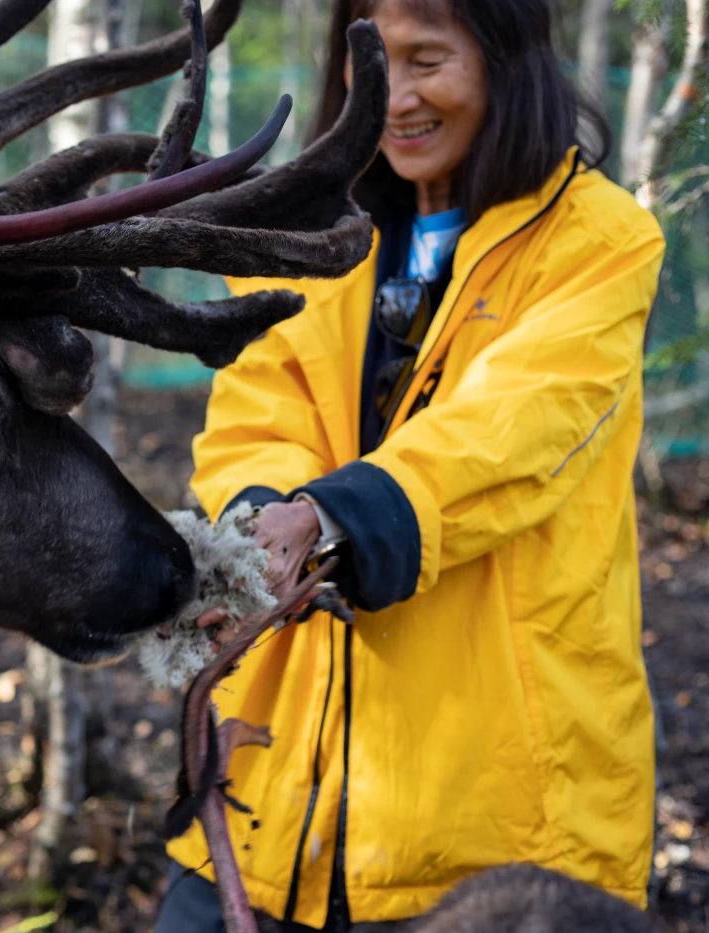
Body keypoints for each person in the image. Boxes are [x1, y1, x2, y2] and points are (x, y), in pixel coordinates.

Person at [157, 0, 666, 930]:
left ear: (507, 61)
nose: (394, 96)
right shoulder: (307, 241)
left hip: (500, 840)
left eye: (427, 59)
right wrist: (261, 521)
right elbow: (252, 416)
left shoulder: (599, 242)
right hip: (270, 801)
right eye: (370, 62)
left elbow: (507, 433)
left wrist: (332, 518)